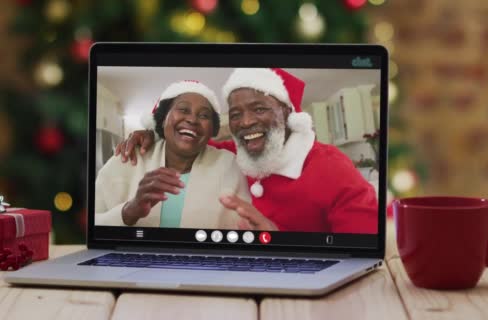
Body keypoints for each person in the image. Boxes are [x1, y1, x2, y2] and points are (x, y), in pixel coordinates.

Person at [115, 69, 378, 234]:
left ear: (287, 113)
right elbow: (191, 144)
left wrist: (283, 242)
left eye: (260, 109)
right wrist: (155, 132)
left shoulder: (332, 167)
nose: (245, 122)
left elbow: (361, 250)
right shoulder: (232, 153)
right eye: (236, 114)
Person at [96, 80, 250, 228]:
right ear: (163, 119)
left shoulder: (229, 165)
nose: (192, 119)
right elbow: (89, 226)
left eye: (204, 115)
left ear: (212, 130)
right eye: (183, 110)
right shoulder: (127, 158)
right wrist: (128, 211)